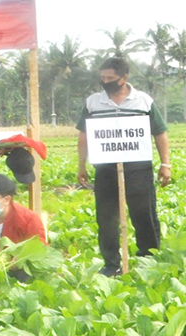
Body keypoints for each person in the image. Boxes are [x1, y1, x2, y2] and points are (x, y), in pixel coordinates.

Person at [77, 57, 170, 277]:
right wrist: (81, 165)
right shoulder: (93, 102)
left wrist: (165, 163)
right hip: (105, 169)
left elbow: (160, 132)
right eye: (102, 77)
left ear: (124, 78)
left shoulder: (143, 101)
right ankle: (111, 264)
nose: (105, 82)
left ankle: (149, 260)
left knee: (144, 214)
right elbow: (84, 136)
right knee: (106, 219)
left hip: (139, 168)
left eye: (110, 78)